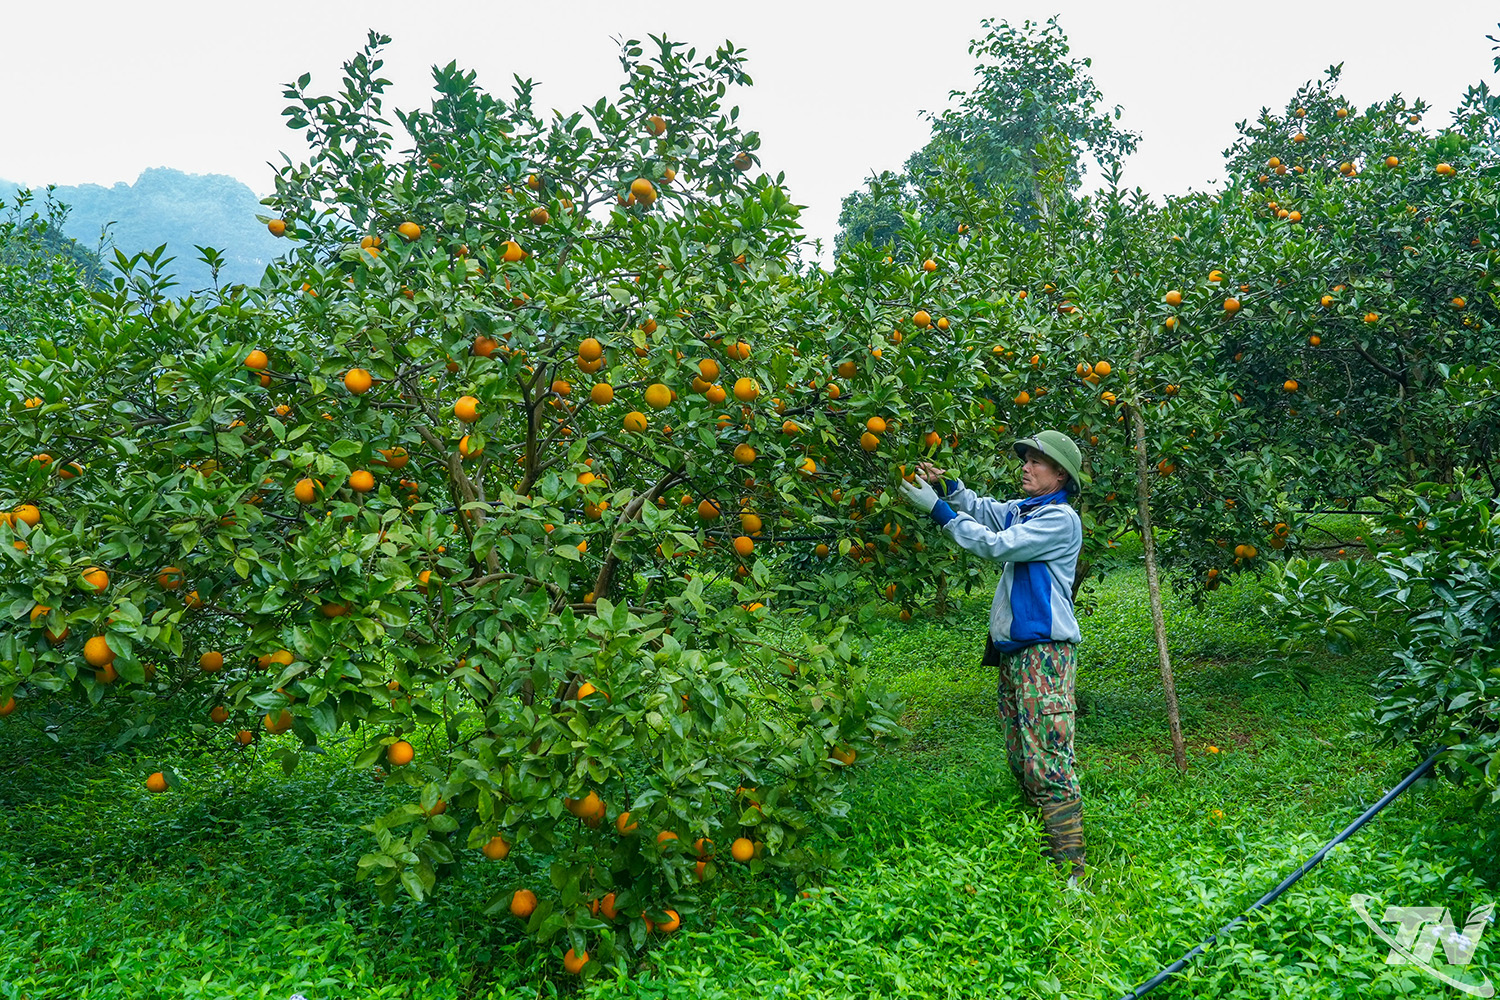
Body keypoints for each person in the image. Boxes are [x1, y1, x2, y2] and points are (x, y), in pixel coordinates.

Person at [899, 430, 1088, 885]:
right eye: (1025, 459)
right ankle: (1040, 848)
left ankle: (1071, 871)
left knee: (1049, 756)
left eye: (1036, 462)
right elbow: (988, 512)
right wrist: (948, 488)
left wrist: (938, 512)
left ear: (1059, 473)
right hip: (1017, 652)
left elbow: (994, 544)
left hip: (1045, 654)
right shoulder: (1027, 510)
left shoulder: (1059, 520)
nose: (1025, 466)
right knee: (1022, 750)